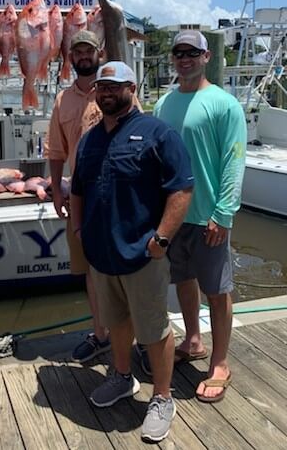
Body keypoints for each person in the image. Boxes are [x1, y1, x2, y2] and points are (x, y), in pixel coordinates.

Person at [70, 61, 194, 442]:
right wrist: (79, 230)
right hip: (103, 255)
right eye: (101, 87)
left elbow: (181, 189)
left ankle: (161, 396)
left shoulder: (158, 133)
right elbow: (77, 190)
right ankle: (122, 378)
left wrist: (161, 239)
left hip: (143, 255)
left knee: (154, 329)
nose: (106, 92)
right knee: (116, 322)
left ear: (132, 88)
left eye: (114, 86)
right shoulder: (90, 138)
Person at [154, 30, 246, 402]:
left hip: (209, 215)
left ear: (207, 57)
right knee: (184, 280)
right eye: (178, 52)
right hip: (174, 216)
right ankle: (193, 341)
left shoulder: (224, 104)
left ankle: (220, 362)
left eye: (192, 52)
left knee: (218, 289)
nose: (184, 58)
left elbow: (234, 160)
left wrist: (223, 213)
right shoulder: (162, 104)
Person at [44, 30, 109, 362]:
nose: (83, 56)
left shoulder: (116, 90)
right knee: (90, 271)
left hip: (116, 197)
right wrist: (57, 190)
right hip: (81, 198)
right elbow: (56, 151)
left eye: (89, 51)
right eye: (77, 52)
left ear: (99, 53)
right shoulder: (61, 100)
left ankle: (136, 337)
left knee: (125, 269)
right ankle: (101, 334)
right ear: (71, 58)